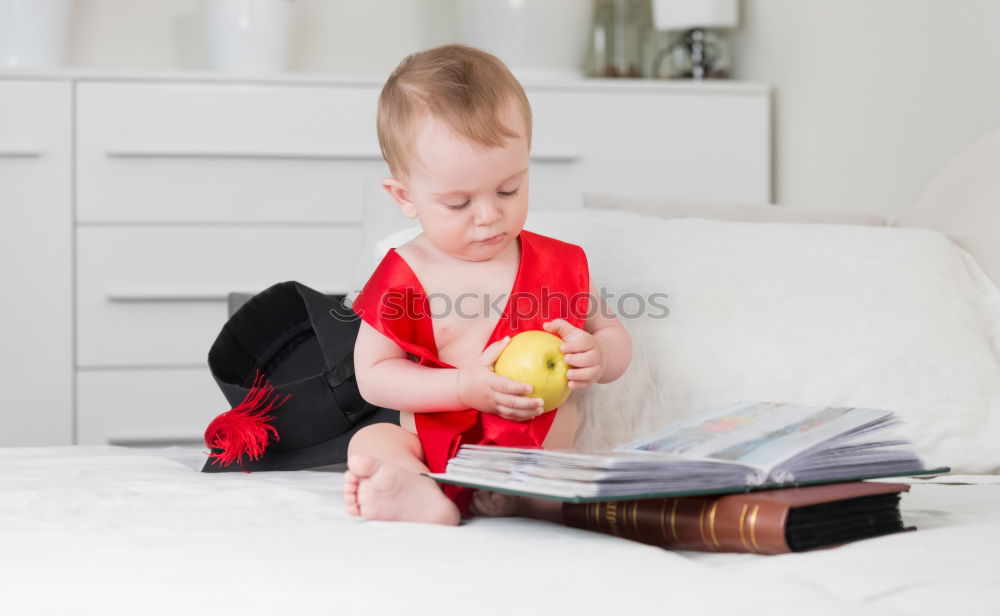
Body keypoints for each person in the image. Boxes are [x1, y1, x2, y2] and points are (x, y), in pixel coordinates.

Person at [343, 44, 632, 525]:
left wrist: (600, 355)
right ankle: (418, 493)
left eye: (508, 190)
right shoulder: (406, 273)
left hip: (539, 462)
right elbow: (373, 377)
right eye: (458, 203)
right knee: (373, 442)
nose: (489, 215)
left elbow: (612, 332)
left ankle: (535, 502)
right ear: (405, 197)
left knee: (583, 479)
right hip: (438, 456)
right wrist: (461, 386)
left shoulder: (557, 264)